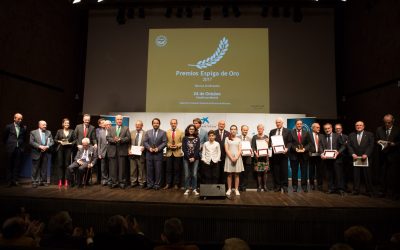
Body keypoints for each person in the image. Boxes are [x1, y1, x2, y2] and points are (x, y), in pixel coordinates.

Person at [375, 114, 400, 198]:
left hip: (393, 156)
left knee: (393, 175)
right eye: (385, 122)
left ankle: (392, 192)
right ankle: (382, 191)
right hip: (382, 155)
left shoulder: (397, 130)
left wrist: (394, 144)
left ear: (393, 121)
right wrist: (378, 141)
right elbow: (376, 139)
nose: (386, 124)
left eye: (388, 122)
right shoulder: (379, 129)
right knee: (382, 174)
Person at [347, 121, 374, 196]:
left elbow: (371, 146)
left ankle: (369, 191)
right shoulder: (351, 135)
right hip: (355, 158)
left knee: (367, 175)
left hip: (366, 158)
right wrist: (352, 153)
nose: (358, 126)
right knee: (356, 175)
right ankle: (356, 190)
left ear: (363, 126)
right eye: (357, 125)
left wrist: (366, 154)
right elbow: (349, 146)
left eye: (360, 125)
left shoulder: (369, 134)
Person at [321, 123, 346, 195]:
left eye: (328, 128)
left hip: (337, 158)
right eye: (325, 129)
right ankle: (331, 188)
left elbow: (343, 146)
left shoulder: (337, 135)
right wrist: (321, 153)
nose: (327, 130)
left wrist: (338, 152)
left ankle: (340, 189)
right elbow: (320, 147)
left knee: (338, 174)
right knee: (329, 174)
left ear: (331, 128)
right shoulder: (323, 137)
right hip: (327, 159)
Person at [106, 115, 131, 189]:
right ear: (115, 120)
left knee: (122, 168)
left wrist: (121, 139)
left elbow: (128, 138)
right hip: (113, 151)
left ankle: (122, 182)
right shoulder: (111, 128)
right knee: (113, 168)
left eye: (120, 119)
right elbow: (107, 138)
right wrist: (114, 140)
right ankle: (114, 182)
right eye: (118, 119)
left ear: (122, 120)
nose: (119, 120)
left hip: (122, 151)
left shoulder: (126, 128)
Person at [3, 113, 27, 187]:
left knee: (17, 165)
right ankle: (9, 181)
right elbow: (4, 137)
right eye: (18, 119)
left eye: (21, 119)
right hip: (10, 148)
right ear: (14, 118)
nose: (20, 120)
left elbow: (24, 138)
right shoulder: (8, 127)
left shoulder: (23, 127)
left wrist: (22, 147)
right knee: (9, 165)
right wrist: (9, 145)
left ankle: (15, 180)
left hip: (19, 148)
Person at [269, 117, 291, 193]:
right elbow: (270, 142)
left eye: (279, 122)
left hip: (284, 154)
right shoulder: (272, 131)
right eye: (276, 122)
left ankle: (284, 186)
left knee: (284, 171)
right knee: (276, 171)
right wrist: (270, 144)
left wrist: (287, 148)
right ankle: (277, 186)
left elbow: (289, 142)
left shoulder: (288, 131)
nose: (278, 124)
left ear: (282, 123)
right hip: (275, 155)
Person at [143, 118, 167, 190]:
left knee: (158, 171)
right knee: (149, 170)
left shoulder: (163, 132)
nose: (156, 124)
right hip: (149, 154)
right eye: (154, 123)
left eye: (157, 123)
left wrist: (158, 148)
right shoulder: (148, 132)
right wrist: (149, 148)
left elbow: (164, 142)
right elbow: (145, 142)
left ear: (159, 124)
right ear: (152, 124)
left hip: (158, 154)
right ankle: (150, 184)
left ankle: (157, 185)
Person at [289, 119, 312, 193]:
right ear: (295, 124)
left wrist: (305, 149)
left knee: (304, 172)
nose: (299, 125)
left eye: (300, 124)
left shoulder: (307, 132)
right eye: (298, 124)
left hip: (304, 155)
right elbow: (290, 143)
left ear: (302, 125)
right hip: (294, 155)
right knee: (294, 172)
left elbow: (309, 143)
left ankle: (304, 186)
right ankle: (295, 187)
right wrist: (295, 148)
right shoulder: (291, 132)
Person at [29, 120, 54, 188]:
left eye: (45, 125)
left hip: (45, 152)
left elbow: (52, 142)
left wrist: (47, 146)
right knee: (35, 168)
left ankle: (43, 181)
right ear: (39, 125)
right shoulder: (33, 132)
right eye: (43, 125)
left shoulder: (48, 132)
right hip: (36, 152)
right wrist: (40, 146)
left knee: (44, 168)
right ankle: (34, 181)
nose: (45, 126)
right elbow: (31, 142)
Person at [53, 118, 75, 187]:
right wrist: (60, 141)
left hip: (68, 149)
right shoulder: (59, 131)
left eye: (68, 123)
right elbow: (55, 139)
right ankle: (60, 180)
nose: (67, 124)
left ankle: (66, 180)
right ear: (63, 124)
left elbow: (75, 140)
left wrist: (70, 143)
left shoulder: (72, 131)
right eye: (65, 123)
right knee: (60, 165)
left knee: (67, 165)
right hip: (61, 149)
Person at [224, 125, 244, 196]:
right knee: (229, 174)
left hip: (237, 158)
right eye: (232, 129)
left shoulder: (239, 139)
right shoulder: (227, 138)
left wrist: (236, 158)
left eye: (234, 129)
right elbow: (226, 149)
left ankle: (236, 189)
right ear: (230, 130)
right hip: (229, 158)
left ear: (236, 130)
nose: (233, 130)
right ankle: (229, 189)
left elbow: (240, 150)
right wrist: (231, 158)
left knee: (237, 175)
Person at [164, 119, 184, 190]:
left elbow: (182, 142)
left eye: (174, 123)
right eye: (172, 123)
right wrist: (169, 145)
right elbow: (165, 142)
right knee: (168, 169)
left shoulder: (181, 132)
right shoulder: (167, 132)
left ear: (177, 124)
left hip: (177, 153)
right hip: (169, 153)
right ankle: (168, 184)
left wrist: (177, 145)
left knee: (177, 169)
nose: (173, 124)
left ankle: (176, 184)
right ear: (170, 124)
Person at [182, 124, 200, 196]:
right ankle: (187, 189)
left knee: (194, 174)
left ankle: (194, 189)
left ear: (195, 130)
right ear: (188, 130)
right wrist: (188, 157)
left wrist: (194, 158)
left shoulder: (197, 138)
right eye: (190, 129)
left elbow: (197, 149)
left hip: (195, 159)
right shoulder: (185, 138)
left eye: (193, 129)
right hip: (186, 159)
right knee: (187, 175)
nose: (191, 130)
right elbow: (184, 149)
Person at [251, 124, 270, 192]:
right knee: (258, 172)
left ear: (263, 129)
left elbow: (269, 146)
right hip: (258, 157)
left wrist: (268, 142)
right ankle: (259, 186)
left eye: (261, 128)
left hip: (265, 157)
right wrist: (255, 153)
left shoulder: (266, 137)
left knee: (265, 172)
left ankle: (264, 186)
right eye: (259, 128)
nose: (260, 130)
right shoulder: (254, 137)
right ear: (257, 129)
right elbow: (253, 147)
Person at [128, 120, 146, 189]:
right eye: (136, 124)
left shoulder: (146, 133)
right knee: (133, 169)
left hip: (141, 154)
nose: (137, 126)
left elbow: (147, 143)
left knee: (141, 169)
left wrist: (144, 147)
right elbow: (129, 143)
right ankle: (133, 182)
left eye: (139, 124)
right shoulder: (132, 132)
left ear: (142, 125)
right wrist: (129, 150)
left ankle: (141, 182)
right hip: (132, 154)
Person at [335, 123, 352, 193]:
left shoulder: (346, 137)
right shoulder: (333, 137)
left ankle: (345, 187)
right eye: (336, 129)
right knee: (338, 174)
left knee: (346, 174)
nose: (338, 129)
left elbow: (348, 146)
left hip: (346, 158)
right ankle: (340, 188)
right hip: (336, 158)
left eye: (339, 128)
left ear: (341, 129)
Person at [309, 122, 325, 191]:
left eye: (319, 127)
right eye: (317, 127)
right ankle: (312, 184)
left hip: (320, 156)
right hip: (311, 156)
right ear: (313, 128)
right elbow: (306, 144)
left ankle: (320, 185)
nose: (319, 128)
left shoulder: (322, 135)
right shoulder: (308, 135)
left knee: (320, 171)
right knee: (311, 171)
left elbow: (324, 145)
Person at [238, 125, 253, 192]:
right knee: (239, 173)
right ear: (241, 130)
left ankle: (244, 186)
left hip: (247, 159)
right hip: (239, 158)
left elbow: (252, 148)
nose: (245, 131)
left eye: (246, 130)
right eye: (244, 130)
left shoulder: (250, 139)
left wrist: (251, 151)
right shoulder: (237, 138)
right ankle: (238, 186)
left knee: (246, 174)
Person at [97, 120, 111, 186]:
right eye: (106, 125)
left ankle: (109, 180)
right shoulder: (100, 132)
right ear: (104, 126)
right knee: (103, 168)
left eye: (109, 124)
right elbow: (99, 143)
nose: (107, 126)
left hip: (111, 152)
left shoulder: (113, 132)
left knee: (110, 167)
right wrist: (99, 153)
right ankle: (104, 180)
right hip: (103, 153)